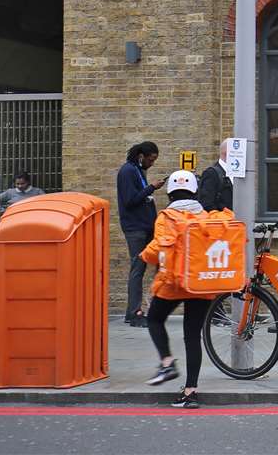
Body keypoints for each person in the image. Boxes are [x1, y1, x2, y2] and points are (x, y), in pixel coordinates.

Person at [139, 169, 211, 409]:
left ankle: (167, 362)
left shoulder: (166, 217)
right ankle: (190, 392)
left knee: (154, 319)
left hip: (174, 282)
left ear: (170, 193)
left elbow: (159, 247)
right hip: (200, 284)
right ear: (195, 191)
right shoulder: (206, 217)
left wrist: (144, 255)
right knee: (193, 336)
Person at [117, 141, 165, 327]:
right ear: (141, 156)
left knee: (151, 265)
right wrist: (151, 187)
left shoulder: (137, 170)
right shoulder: (128, 171)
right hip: (135, 229)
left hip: (144, 227)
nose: (152, 163)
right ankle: (134, 313)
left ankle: (146, 309)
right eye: (151, 159)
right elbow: (130, 200)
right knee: (137, 269)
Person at [196, 140, 235, 213]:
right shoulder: (211, 173)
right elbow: (206, 203)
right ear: (227, 152)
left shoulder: (240, 174)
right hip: (222, 222)